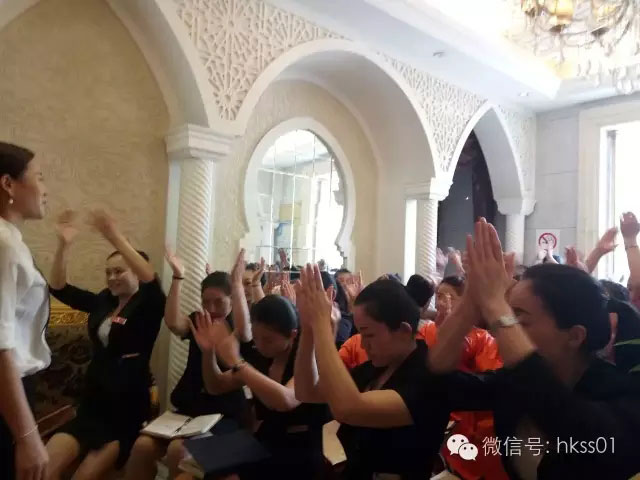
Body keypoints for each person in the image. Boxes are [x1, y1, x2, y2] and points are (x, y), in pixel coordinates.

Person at [428, 219, 640, 479]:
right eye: (509, 315)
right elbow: (438, 379)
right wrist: (471, 300)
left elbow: (566, 417)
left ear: (574, 336)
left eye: (520, 319)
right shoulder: (513, 383)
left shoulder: (622, 394)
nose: (503, 331)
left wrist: (495, 304)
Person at [295, 265, 450, 479]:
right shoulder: (375, 368)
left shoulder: (429, 376)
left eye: (369, 335)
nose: (363, 344)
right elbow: (307, 392)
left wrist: (322, 326)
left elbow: (348, 409)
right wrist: (308, 329)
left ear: (404, 331)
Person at [46, 209, 166, 480]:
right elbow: (59, 288)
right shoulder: (104, 300)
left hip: (125, 408)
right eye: (108, 272)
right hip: (92, 403)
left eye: (119, 271)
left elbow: (151, 280)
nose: (111, 277)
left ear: (136, 273)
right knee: (44, 468)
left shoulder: (149, 304)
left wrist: (113, 235)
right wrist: (63, 245)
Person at [189, 253, 328, 480]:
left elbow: (286, 400)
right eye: (256, 337)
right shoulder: (259, 355)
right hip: (264, 440)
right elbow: (216, 386)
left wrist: (238, 363)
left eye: (268, 340)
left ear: (292, 335)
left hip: (299, 449)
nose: (260, 345)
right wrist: (208, 353)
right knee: (188, 464)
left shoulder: (305, 354)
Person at [123, 250, 248, 480]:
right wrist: (177, 277)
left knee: (177, 449)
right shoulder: (199, 319)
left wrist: (239, 284)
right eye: (206, 302)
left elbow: (246, 332)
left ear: (232, 300)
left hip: (224, 413)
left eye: (219, 302)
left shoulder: (237, 326)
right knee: (142, 445)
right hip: (191, 407)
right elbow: (173, 323)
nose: (211, 309)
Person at [0, 142, 50, 480]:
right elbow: (0, 345)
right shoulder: (3, 245)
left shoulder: (10, 240)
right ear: (8, 184)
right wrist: (27, 436)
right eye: (39, 177)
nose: (45, 190)